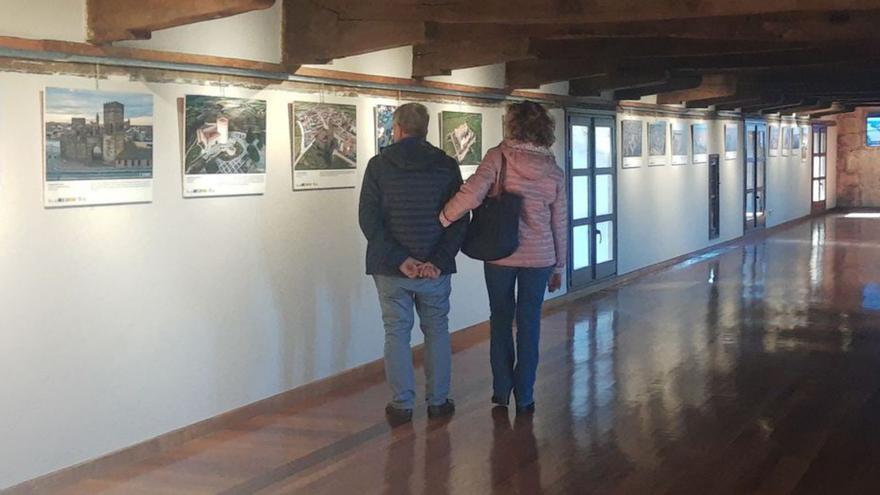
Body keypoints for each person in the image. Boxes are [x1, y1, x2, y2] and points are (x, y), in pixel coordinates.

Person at [440, 101, 567, 414]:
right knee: (529, 324)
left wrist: (444, 217)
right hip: (540, 259)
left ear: (511, 125)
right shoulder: (553, 170)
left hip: (499, 253)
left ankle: (500, 391)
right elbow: (559, 221)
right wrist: (560, 265)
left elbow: (472, 194)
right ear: (544, 129)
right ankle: (525, 395)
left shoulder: (498, 157)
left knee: (499, 320)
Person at [359, 103, 468, 424]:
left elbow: (369, 220)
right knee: (436, 330)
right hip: (434, 268)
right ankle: (438, 402)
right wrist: (437, 260)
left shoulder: (378, 166)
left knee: (396, 333)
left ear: (397, 129)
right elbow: (459, 218)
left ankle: (402, 405)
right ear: (426, 129)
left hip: (391, 269)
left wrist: (400, 259)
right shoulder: (446, 165)